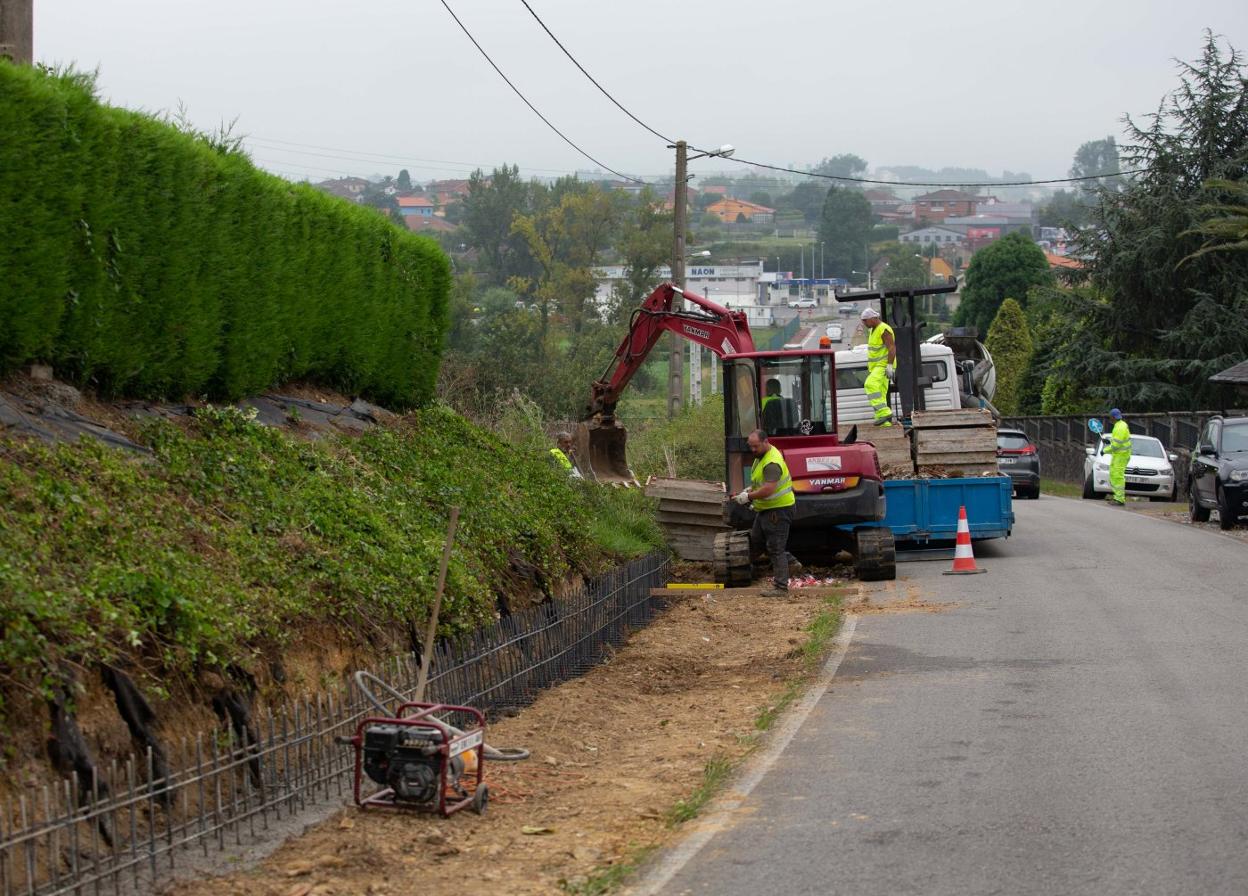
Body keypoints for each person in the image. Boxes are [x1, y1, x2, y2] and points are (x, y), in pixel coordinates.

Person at [733, 429, 796, 596]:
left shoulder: (771, 463)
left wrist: (748, 497)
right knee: (757, 541)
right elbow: (760, 482)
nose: (752, 450)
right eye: (750, 446)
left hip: (778, 510)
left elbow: (768, 489)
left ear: (765, 442)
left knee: (776, 548)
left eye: (755, 446)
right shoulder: (761, 457)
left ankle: (781, 587)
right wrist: (749, 490)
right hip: (766, 509)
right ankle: (791, 562)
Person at [861, 306, 896, 426]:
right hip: (877, 367)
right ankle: (884, 423)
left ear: (873, 318)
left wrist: (890, 366)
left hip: (883, 366)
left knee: (869, 384)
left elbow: (892, 348)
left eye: (865, 320)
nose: (864, 323)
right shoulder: (872, 330)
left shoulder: (884, 329)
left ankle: (885, 413)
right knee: (880, 394)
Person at [1106, 408, 1131, 505]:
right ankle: (1117, 497)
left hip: (1121, 455)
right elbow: (1118, 441)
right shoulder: (1121, 425)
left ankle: (1119, 499)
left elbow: (1116, 445)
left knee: (1117, 476)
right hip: (1120, 455)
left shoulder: (1119, 427)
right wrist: (1109, 442)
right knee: (1114, 474)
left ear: (1112, 417)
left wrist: (1105, 450)